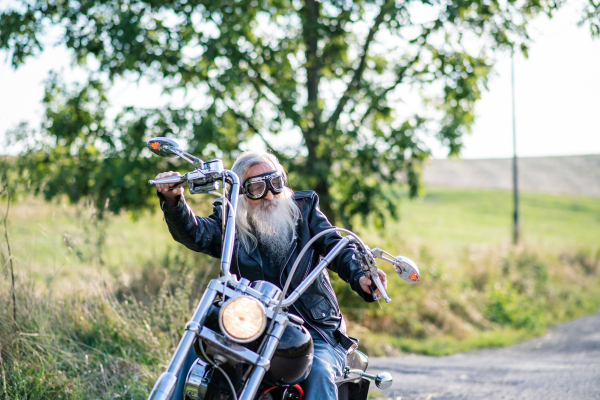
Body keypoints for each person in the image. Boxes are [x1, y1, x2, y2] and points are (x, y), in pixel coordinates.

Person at [155, 151, 387, 400]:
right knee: (199, 344)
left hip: (314, 329)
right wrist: (174, 202)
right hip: (252, 326)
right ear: (241, 193)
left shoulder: (304, 212)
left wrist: (360, 275)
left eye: (275, 183)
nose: (269, 194)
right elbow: (197, 233)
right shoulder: (231, 219)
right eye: (256, 187)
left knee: (319, 370)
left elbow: (336, 246)